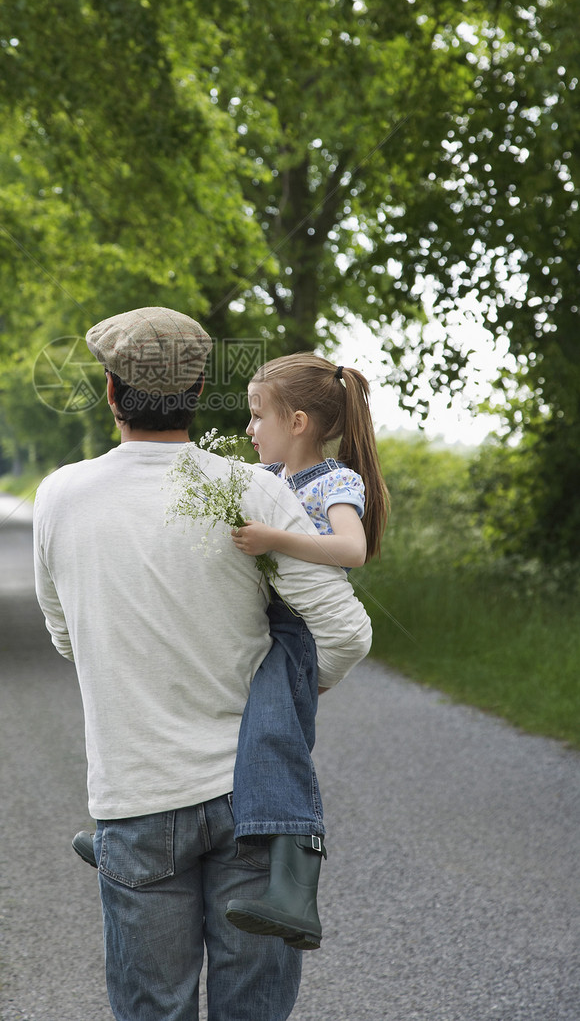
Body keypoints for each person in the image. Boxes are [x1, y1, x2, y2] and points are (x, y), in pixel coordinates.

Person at [33, 307, 372, 1021]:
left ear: (110, 391)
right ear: (195, 394)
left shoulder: (60, 495)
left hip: (135, 800)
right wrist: (277, 706)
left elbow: (67, 639)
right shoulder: (252, 489)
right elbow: (343, 635)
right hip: (256, 801)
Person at [224, 353, 389, 949]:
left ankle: (295, 893)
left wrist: (273, 538)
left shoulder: (333, 482)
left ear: (296, 422)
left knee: (274, 738)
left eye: (256, 415)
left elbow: (352, 550)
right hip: (265, 623)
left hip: (297, 633)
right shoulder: (271, 480)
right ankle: (139, 835)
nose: (249, 430)